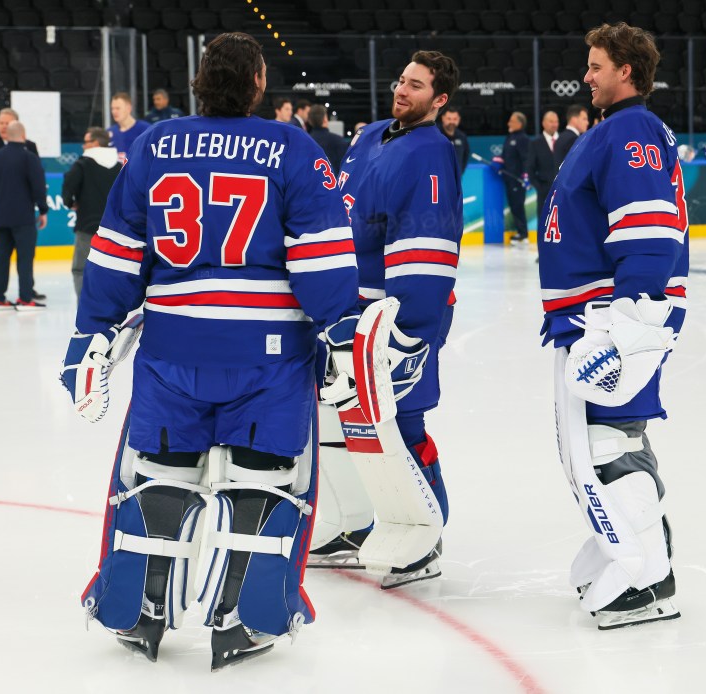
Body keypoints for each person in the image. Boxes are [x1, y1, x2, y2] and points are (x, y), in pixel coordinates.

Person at [60, 32, 360, 669]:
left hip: (173, 349)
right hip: (269, 356)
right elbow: (321, 257)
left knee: (159, 476)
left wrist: (91, 332)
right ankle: (243, 618)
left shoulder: (152, 146)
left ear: (200, 79)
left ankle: (138, 612)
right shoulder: (291, 146)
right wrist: (342, 327)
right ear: (256, 81)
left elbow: (115, 253)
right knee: (268, 483)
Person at [538, 21, 687, 630]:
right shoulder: (617, 130)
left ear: (626, 70)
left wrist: (630, 322)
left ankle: (645, 580)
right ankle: (645, 565)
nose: (588, 75)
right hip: (598, 315)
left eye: (597, 65)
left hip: (615, 317)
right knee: (611, 438)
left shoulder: (630, 130)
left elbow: (648, 231)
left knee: (611, 443)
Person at [308, 50, 462, 588]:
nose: (402, 90)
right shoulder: (371, 133)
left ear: (439, 100)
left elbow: (425, 247)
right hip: (346, 309)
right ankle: (353, 524)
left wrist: (410, 332)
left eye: (416, 86)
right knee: (335, 419)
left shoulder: (432, 153)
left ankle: (426, 531)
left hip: (391, 314)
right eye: (401, 80)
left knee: (402, 420)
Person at [0, 108, 45, 302]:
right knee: (19, 256)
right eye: (1, 123)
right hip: (17, 213)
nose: (3, 126)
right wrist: (43, 209)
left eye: (7, 123)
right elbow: (37, 182)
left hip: (0, 212)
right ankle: (23, 296)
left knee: (3, 256)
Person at [61, 127, 121, 298]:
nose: (83, 146)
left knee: (81, 270)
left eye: (86, 142)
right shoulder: (118, 166)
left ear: (95, 143)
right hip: (114, 230)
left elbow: (68, 186)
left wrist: (70, 203)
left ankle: (85, 312)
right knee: (111, 271)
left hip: (87, 226)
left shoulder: (82, 164)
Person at [495, 111, 531, 243]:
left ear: (519, 123)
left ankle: (523, 233)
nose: (508, 123)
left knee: (518, 205)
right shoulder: (509, 137)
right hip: (509, 178)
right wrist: (499, 162)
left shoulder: (523, 139)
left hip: (518, 180)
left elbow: (526, 159)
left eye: (512, 120)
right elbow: (506, 157)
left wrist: (526, 176)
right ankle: (521, 232)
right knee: (514, 205)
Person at [526, 110, 561, 237]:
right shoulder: (535, 143)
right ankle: (542, 255)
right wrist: (539, 188)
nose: (554, 124)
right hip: (544, 192)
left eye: (556, 121)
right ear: (543, 123)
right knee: (543, 222)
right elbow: (530, 168)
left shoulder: (564, 141)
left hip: (563, 191)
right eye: (551, 121)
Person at [107, 91, 151, 163]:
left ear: (128, 108)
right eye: (112, 108)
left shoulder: (146, 130)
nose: (114, 112)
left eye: (118, 108)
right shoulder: (109, 133)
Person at [307, 104, 349, 172]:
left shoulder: (305, 142)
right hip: (333, 181)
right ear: (325, 119)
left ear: (309, 121)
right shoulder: (339, 141)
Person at [556, 103, 589, 168]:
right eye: (584, 119)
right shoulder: (573, 139)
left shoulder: (561, 137)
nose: (587, 122)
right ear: (574, 119)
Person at [439, 106, 470, 173]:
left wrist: (460, 172)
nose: (452, 122)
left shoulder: (462, 136)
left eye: (455, 119)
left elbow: (465, 156)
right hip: (439, 177)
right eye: (449, 119)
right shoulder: (436, 135)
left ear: (459, 119)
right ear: (443, 118)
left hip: (456, 178)